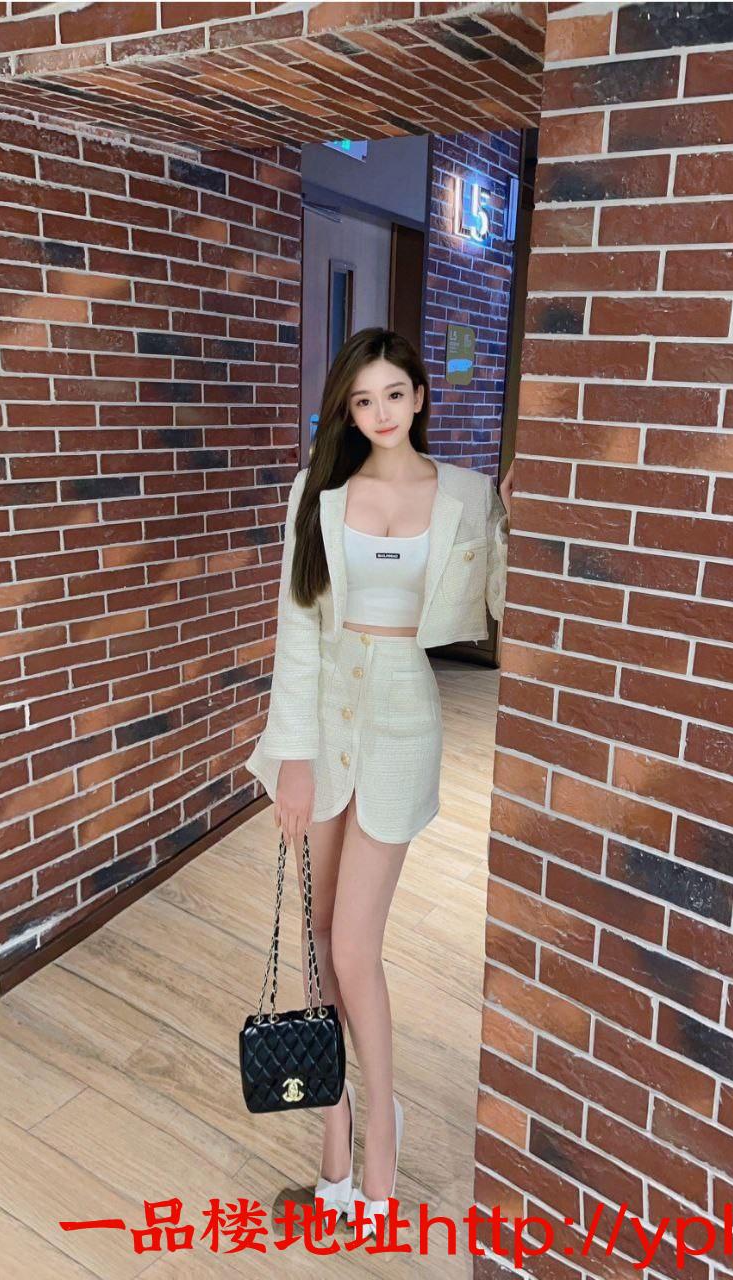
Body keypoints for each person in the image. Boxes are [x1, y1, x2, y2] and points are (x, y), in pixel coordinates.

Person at [244, 326, 513, 1240]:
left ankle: (383, 1139)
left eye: (394, 394)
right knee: (313, 938)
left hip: (402, 718)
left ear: (420, 396)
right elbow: (296, 628)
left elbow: (505, 608)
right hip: (322, 721)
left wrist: (523, 525)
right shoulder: (318, 492)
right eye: (362, 400)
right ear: (347, 411)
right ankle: (336, 1125)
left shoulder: (465, 495)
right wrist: (291, 754)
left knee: (354, 946)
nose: (380, 413)